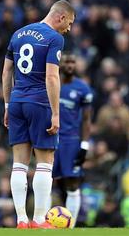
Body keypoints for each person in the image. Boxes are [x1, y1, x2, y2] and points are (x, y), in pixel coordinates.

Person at [2, 0, 75, 229]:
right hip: (39, 103)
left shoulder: (19, 33)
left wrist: (7, 105)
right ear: (61, 17)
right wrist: (55, 113)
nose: (69, 29)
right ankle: (39, 220)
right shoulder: (55, 38)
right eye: (70, 23)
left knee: (19, 164)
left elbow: (6, 72)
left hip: (16, 101)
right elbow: (52, 77)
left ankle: (21, 220)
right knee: (45, 162)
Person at [53, 52, 93, 228]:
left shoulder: (83, 88)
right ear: (59, 64)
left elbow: (86, 119)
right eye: (66, 62)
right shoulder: (50, 83)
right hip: (50, 137)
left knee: (72, 182)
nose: (70, 65)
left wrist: (84, 145)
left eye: (73, 62)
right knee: (47, 179)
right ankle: (41, 224)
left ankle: (71, 227)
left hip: (71, 140)